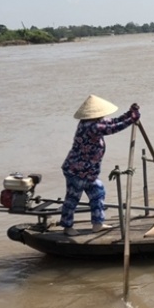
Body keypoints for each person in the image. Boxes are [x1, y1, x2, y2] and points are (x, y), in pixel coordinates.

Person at [59, 95, 141, 236]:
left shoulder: (97, 121)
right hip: (77, 170)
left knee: (98, 192)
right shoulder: (91, 126)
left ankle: (98, 224)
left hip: (89, 172)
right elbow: (114, 128)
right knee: (73, 198)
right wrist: (132, 119)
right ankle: (67, 227)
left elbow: (114, 121)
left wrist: (129, 114)